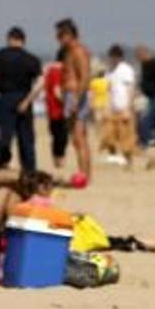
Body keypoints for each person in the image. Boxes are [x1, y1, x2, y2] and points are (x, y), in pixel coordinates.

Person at [0, 26, 42, 171]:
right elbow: (41, 83)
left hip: (6, 97)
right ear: (23, 41)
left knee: (4, 137)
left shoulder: (1, 55)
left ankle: (1, 167)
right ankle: (29, 171)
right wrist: (28, 100)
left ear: (10, 39)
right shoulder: (32, 59)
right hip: (24, 97)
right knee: (26, 139)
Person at [55, 18, 93, 184]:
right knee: (77, 138)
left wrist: (77, 98)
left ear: (69, 35)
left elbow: (85, 76)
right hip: (71, 95)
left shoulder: (78, 51)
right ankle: (83, 173)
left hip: (76, 94)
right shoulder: (68, 52)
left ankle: (85, 175)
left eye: (60, 35)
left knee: (79, 137)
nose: (58, 39)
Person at [23, 50, 67, 169]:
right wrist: (69, 104)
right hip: (60, 110)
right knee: (62, 136)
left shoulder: (49, 71)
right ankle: (59, 160)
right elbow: (57, 92)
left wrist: (28, 100)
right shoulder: (60, 71)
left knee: (56, 135)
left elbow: (39, 86)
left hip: (51, 109)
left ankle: (57, 159)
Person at [99, 45, 138, 167]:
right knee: (109, 134)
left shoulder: (126, 70)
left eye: (115, 57)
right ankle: (113, 156)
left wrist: (128, 108)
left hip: (124, 106)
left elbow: (131, 89)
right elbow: (108, 90)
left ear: (120, 57)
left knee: (126, 135)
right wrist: (105, 107)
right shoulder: (109, 71)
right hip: (112, 107)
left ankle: (129, 160)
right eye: (111, 57)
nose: (113, 59)